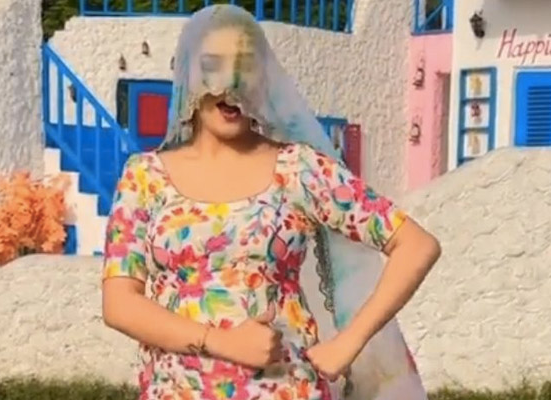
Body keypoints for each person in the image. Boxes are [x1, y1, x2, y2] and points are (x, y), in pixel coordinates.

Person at [102, 5, 441, 400]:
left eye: (244, 66)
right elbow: (120, 304)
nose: (230, 83)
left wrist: (348, 343)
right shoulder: (145, 176)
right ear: (188, 73)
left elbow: (417, 245)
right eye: (213, 65)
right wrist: (221, 342)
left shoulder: (299, 169)